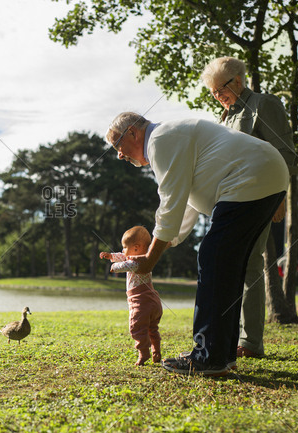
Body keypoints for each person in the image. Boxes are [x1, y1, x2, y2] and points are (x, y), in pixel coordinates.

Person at [105, 111, 288, 376]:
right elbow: (184, 204)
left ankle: (207, 357)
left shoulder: (159, 140)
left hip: (250, 176)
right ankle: (222, 354)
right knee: (226, 265)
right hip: (266, 174)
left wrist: (151, 258)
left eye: (117, 146)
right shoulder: (169, 138)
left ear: (133, 132)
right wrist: (162, 244)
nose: (119, 155)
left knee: (212, 259)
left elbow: (169, 202)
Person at [200, 56, 295, 359]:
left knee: (251, 261)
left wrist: (281, 196)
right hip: (231, 199)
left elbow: (283, 150)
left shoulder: (265, 104)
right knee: (233, 263)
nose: (217, 96)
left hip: (262, 195)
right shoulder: (225, 116)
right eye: (213, 93)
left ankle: (250, 342)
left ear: (238, 81)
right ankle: (234, 336)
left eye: (220, 90)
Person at [100, 226, 162, 366]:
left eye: (124, 247)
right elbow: (124, 256)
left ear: (136, 247)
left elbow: (126, 264)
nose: (122, 250)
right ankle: (156, 351)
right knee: (152, 328)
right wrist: (111, 256)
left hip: (141, 302)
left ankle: (143, 353)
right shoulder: (146, 258)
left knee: (137, 327)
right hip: (154, 301)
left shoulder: (138, 262)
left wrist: (114, 267)